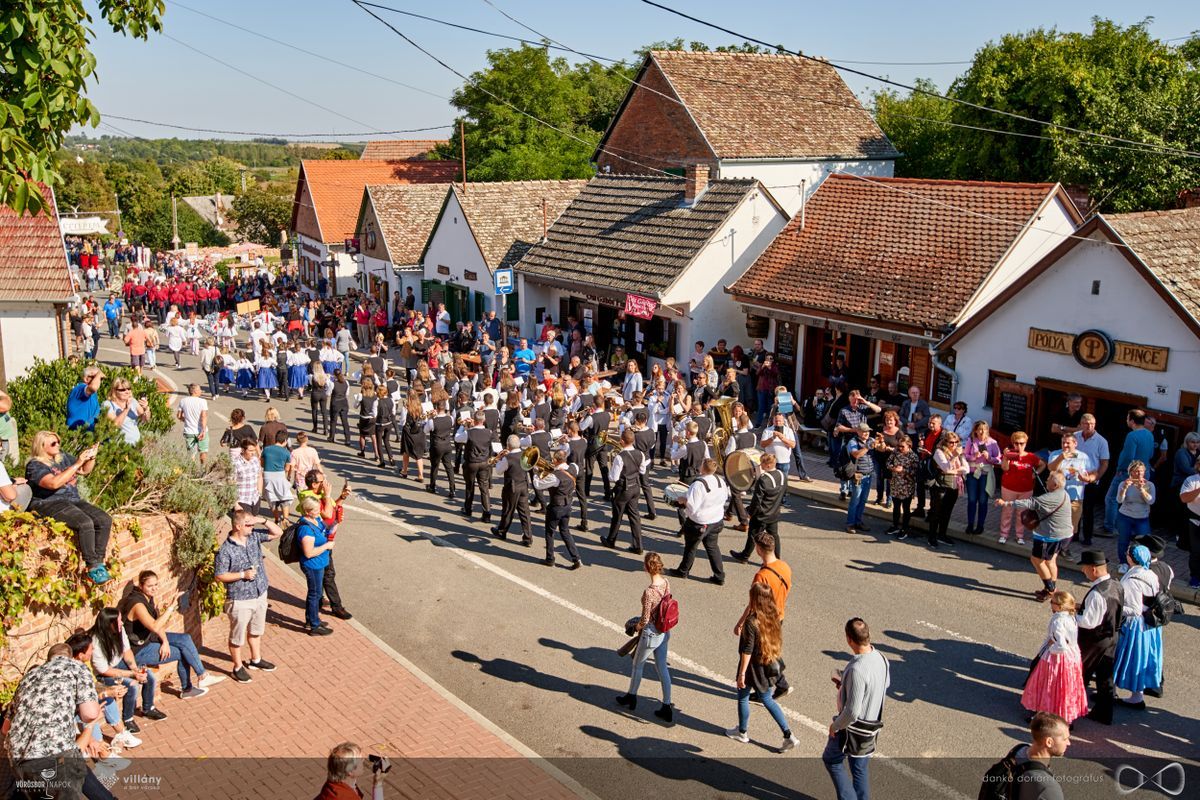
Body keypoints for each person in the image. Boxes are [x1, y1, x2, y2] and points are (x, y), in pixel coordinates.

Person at [6, 641, 103, 799]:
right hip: (54, 757)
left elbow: (5, 729)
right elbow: (90, 714)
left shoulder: (29, 677)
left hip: (20, 759)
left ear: (48, 659)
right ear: (70, 657)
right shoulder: (76, 667)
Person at [121, 570, 224, 697]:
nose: (154, 589)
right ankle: (188, 689)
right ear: (141, 586)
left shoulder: (147, 598)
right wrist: (171, 606)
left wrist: (165, 641)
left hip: (149, 638)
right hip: (138, 649)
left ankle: (202, 676)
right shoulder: (137, 604)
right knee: (182, 652)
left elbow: (157, 626)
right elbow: (154, 626)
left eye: (156, 585)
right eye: (150, 586)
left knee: (185, 639)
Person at [25, 431, 111, 583]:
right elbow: (53, 483)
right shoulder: (35, 465)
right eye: (53, 443)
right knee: (85, 523)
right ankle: (92, 566)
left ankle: (98, 563)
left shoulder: (62, 457)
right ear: (41, 446)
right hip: (48, 502)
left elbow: (84, 471)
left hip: (72, 499)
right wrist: (77, 463)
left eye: (58, 441)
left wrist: (91, 457)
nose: (57, 444)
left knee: (104, 520)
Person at [724, 583, 798, 752]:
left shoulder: (752, 622)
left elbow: (747, 650)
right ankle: (788, 735)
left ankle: (742, 732)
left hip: (753, 667)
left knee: (743, 696)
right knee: (767, 699)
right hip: (766, 662)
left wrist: (741, 673)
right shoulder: (773, 615)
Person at [214, 508, 283, 682]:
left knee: (256, 630)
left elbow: (278, 532)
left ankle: (255, 659)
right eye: (248, 524)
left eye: (252, 524)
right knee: (237, 636)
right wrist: (242, 575)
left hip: (260, 593)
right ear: (238, 526)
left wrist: (261, 520)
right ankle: (237, 667)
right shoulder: (226, 550)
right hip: (240, 599)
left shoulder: (253, 537)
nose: (251, 526)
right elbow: (220, 575)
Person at [824, 618, 890, 800]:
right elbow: (885, 684)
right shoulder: (882, 659)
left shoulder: (856, 669)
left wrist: (835, 726)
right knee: (859, 768)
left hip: (852, 730)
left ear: (849, 639)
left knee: (832, 760)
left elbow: (852, 711)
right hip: (871, 728)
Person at [997, 471, 1074, 602]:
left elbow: (1028, 503)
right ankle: (1050, 588)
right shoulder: (1064, 494)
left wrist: (1006, 503)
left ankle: (1050, 589)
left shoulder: (1048, 498)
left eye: (1048, 479)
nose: (1046, 481)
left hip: (1050, 536)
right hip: (1066, 535)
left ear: (1054, 484)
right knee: (1050, 561)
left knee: (1037, 560)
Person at [615, 552, 674, 722]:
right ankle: (667, 705)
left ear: (646, 568)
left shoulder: (649, 592)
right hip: (664, 631)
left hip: (651, 633)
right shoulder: (666, 582)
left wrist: (634, 627)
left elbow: (645, 618)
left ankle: (631, 697)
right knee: (662, 667)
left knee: (637, 665)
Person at [88, 607, 163, 735]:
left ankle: (148, 708)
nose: (121, 623)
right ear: (109, 624)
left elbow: (127, 651)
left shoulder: (119, 630)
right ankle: (128, 719)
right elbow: (104, 670)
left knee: (148, 675)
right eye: (118, 621)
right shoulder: (95, 641)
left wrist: (135, 669)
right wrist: (132, 675)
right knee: (132, 685)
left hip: (120, 663)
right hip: (104, 674)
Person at [1021, 591, 1088, 725]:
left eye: (1053, 602)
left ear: (1059, 606)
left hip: (1058, 658)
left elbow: (1061, 645)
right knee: (1066, 688)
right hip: (1072, 656)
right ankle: (1065, 717)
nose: (1051, 605)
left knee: (1049, 685)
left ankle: (1044, 715)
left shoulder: (1058, 620)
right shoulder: (1071, 617)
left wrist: (1050, 649)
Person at [1112, 545, 1163, 709]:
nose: (1125, 554)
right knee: (1143, 659)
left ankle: (1112, 690)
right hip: (1150, 625)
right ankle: (1137, 696)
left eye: (1127, 553)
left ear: (1131, 558)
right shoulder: (1150, 574)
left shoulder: (1132, 580)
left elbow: (1133, 609)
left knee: (1124, 657)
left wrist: (1114, 607)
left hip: (1135, 626)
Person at [669, 458, 729, 585]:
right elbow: (725, 497)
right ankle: (719, 576)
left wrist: (682, 500)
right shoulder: (720, 480)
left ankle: (683, 571)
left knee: (690, 547)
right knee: (712, 547)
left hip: (699, 522)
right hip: (716, 520)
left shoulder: (698, 484)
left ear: (703, 468)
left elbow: (692, 506)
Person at [1047, 433, 1097, 559]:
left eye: (1068, 443)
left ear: (1075, 443)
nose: (1065, 445)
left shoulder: (1083, 457)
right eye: (1063, 442)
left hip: (1075, 496)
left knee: (1072, 526)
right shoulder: (1055, 454)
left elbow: (1093, 473)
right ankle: (1053, 548)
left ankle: (1064, 548)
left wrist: (1087, 478)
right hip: (1057, 496)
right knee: (1056, 523)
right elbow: (1051, 468)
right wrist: (1061, 458)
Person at [1104, 409, 1154, 534]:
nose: (1127, 420)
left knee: (1111, 498)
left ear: (1132, 421)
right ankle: (1132, 529)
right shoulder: (1149, 434)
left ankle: (1110, 527)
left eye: (1127, 418)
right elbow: (1151, 454)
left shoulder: (1132, 435)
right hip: (1145, 471)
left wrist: (1120, 469)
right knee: (1137, 499)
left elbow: (1128, 456)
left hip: (1128, 472)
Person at [531, 450, 583, 569]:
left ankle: (550, 559)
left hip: (556, 507)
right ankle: (576, 558)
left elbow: (538, 485)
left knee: (550, 532)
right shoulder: (573, 468)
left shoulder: (555, 477)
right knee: (565, 531)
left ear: (555, 460)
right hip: (568, 505)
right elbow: (573, 468)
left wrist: (536, 474)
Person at [729, 453, 785, 561]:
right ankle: (777, 558)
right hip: (774, 513)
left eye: (762, 463)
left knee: (753, 535)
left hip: (761, 515)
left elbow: (757, 500)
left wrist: (750, 513)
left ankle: (744, 556)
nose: (760, 465)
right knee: (774, 536)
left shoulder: (763, 479)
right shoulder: (782, 475)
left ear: (768, 465)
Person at [1002, 713, 1071, 800]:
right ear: (1049, 742)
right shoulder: (1049, 788)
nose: (1068, 743)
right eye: (1065, 739)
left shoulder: (1018, 750)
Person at [297, 496, 337, 636]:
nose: (319, 511)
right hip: (312, 565)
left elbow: (326, 524)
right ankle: (314, 625)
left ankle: (311, 620)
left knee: (315, 593)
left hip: (319, 563)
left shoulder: (315, 520)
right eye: (315, 509)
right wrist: (326, 545)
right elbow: (308, 553)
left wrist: (333, 525)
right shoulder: (306, 529)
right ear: (307, 511)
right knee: (315, 594)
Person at [997, 431, 1044, 545]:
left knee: (1022, 513)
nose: (1019, 446)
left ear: (1026, 443)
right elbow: (1004, 468)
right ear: (1013, 444)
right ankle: (1004, 534)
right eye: (1016, 443)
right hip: (1009, 488)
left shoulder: (1031, 456)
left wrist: (1035, 474)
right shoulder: (1009, 455)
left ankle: (1019, 536)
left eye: (1022, 443)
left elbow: (1043, 464)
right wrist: (1006, 457)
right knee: (1007, 511)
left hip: (1026, 489)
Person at [605, 429, 647, 552]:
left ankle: (611, 540)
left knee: (617, 516)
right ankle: (638, 545)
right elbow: (642, 471)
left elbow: (614, 478)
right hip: (635, 487)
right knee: (634, 517)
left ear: (622, 441)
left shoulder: (620, 457)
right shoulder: (641, 454)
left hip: (623, 489)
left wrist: (610, 469)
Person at [928, 431, 968, 548]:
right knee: (936, 512)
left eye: (956, 442)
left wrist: (954, 470)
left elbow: (966, 469)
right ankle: (932, 537)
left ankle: (942, 534)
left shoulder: (959, 452)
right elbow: (946, 468)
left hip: (954, 486)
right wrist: (954, 456)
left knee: (947, 512)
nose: (954, 445)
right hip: (941, 486)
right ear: (945, 442)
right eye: (951, 442)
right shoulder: (939, 452)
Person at [1114, 460, 1155, 575]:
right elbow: (1119, 500)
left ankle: (1143, 563)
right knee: (1123, 540)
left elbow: (1151, 501)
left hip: (1142, 517)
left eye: (1142, 471)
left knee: (1144, 541)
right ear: (1131, 472)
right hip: (1125, 516)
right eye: (1137, 472)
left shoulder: (1149, 485)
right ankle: (1123, 563)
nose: (1140, 474)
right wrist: (1125, 488)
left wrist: (1142, 489)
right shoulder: (1123, 484)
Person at [491, 434, 533, 545]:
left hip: (512, 486)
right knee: (525, 512)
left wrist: (499, 459)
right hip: (523, 484)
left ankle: (502, 531)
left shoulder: (507, 458)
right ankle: (528, 537)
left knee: (508, 510)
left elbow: (499, 471)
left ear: (508, 445)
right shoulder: (525, 454)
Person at [962, 420, 1001, 535]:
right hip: (973, 473)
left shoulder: (992, 443)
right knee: (972, 500)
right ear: (976, 430)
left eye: (984, 429)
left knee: (983, 501)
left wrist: (989, 457)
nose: (982, 432)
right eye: (980, 429)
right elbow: (965, 455)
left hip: (985, 474)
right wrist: (974, 456)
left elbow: (998, 459)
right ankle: (970, 524)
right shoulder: (971, 441)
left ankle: (980, 525)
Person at [314, 742, 386, 800]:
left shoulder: (332, 785)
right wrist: (378, 786)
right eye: (360, 760)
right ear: (350, 772)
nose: (363, 761)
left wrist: (377, 782)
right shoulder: (346, 797)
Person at [844, 423, 875, 533]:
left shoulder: (871, 439)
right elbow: (856, 454)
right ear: (858, 431)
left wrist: (881, 442)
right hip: (858, 475)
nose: (866, 433)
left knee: (863, 500)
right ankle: (850, 524)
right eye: (864, 431)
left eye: (868, 431)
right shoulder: (853, 442)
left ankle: (858, 521)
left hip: (868, 475)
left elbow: (881, 449)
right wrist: (867, 447)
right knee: (855, 500)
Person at [103, 378, 148, 446]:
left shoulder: (133, 401)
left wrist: (146, 409)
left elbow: (145, 419)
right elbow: (114, 425)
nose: (127, 391)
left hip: (135, 444)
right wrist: (126, 409)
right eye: (123, 390)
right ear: (114, 391)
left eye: (128, 388)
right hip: (119, 446)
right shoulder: (108, 404)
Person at [1178, 457, 1200, 589]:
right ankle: (1195, 577)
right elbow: (1184, 498)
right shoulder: (1191, 480)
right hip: (1195, 520)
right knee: (1196, 551)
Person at [177, 383, 209, 465]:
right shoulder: (202, 401)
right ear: (194, 391)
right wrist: (203, 430)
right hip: (201, 431)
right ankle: (203, 469)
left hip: (189, 431)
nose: (201, 391)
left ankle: (192, 470)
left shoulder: (183, 401)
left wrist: (186, 420)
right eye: (199, 389)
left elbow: (179, 416)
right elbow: (203, 416)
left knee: (191, 453)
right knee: (203, 451)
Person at [66, 365, 105, 431]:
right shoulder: (80, 388)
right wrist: (99, 374)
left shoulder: (93, 394)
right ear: (86, 379)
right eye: (96, 377)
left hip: (89, 433)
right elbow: (93, 387)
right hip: (77, 432)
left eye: (100, 379)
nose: (99, 380)